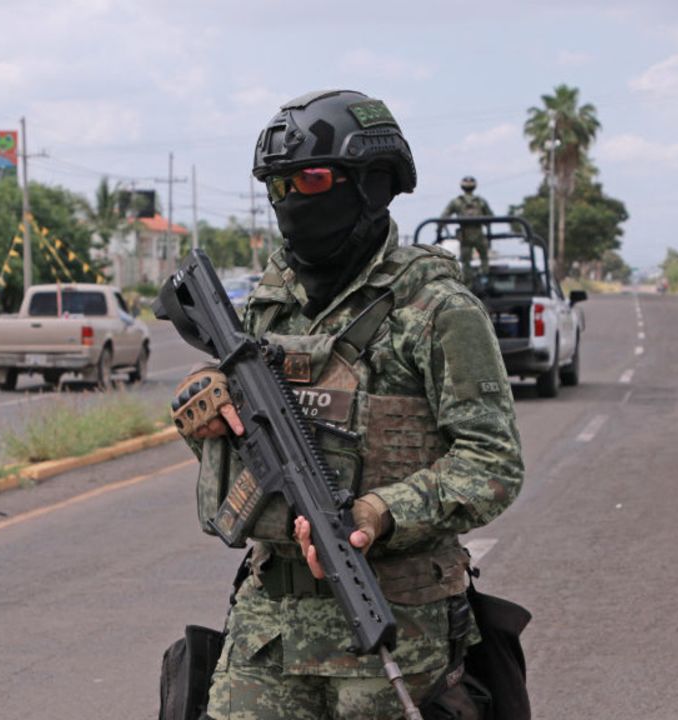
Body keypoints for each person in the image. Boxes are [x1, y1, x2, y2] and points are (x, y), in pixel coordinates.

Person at [173, 90, 524, 719]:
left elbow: (493, 462)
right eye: (278, 187)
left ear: (373, 184)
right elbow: (235, 420)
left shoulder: (437, 309)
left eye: (310, 179)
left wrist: (382, 511)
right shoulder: (264, 306)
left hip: (395, 629)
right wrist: (203, 405)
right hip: (269, 626)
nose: (292, 202)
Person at [441, 176, 493, 284]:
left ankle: (468, 284)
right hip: (479, 234)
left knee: (466, 262)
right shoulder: (480, 201)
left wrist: (439, 229)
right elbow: (491, 217)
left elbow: (444, 217)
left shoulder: (456, 202)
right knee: (484, 258)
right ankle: (485, 280)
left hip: (465, 236)